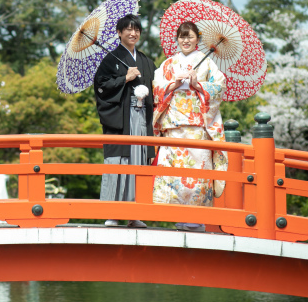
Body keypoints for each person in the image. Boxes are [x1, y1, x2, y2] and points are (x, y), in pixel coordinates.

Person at [151, 21, 228, 232]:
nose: (185, 40)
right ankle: (177, 217)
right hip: (173, 127)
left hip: (197, 128)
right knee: (173, 173)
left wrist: (198, 85)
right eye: (182, 36)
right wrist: (172, 85)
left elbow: (219, 87)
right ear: (177, 39)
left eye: (190, 37)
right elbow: (156, 88)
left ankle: (196, 219)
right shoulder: (168, 65)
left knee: (198, 171)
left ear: (198, 40)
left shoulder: (207, 64)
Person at [94, 14, 156, 228]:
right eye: (128, 29)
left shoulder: (146, 61)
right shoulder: (110, 59)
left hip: (142, 119)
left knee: (139, 161)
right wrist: (124, 78)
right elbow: (101, 87)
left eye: (136, 29)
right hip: (121, 119)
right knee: (119, 162)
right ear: (119, 33)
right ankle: (112, 213)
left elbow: (158, 89)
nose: (133, 33)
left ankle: (135, 214)